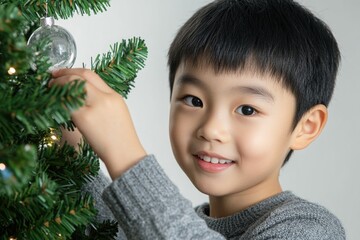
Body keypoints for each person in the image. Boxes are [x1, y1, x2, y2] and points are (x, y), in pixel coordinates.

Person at [53, 0, 346, 239]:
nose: (211, 129)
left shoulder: (312, 228)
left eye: (247, 109)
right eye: (194, 101)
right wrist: (77, 157)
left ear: (306, 127)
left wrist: (125, 154)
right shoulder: (184, 225)